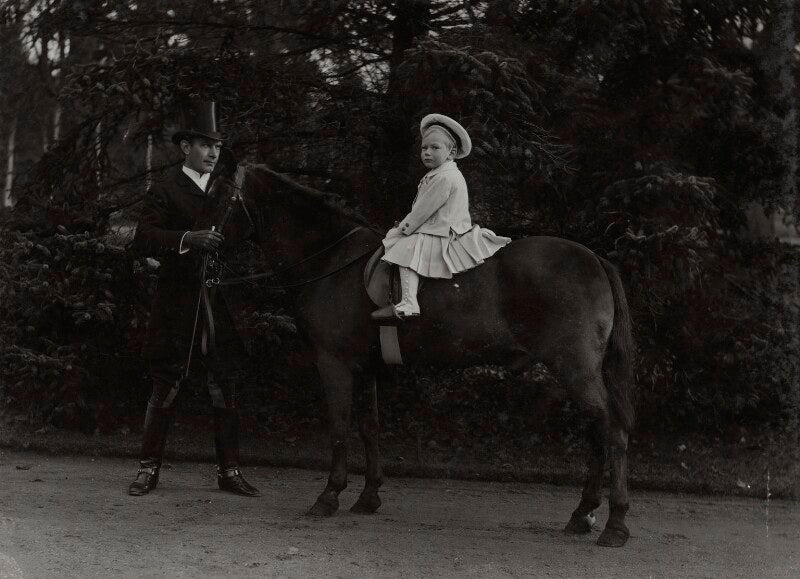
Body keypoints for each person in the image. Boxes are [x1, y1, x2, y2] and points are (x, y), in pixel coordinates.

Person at [128, 101, 260, 497]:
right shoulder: (165, 188)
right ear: (185, 147)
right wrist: (188, 239)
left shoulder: (227, 190)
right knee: (167, 383)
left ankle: (230, 472)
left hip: (218, 303)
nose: (214, 152)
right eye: (205, 145)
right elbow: (143, 237)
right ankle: (148, 470)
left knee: (225, 384)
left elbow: (244, 238)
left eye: (217, 146)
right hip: (177, 300)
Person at [371, 113, 511, 322]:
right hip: (437, 226)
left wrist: (403, 228)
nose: (427, 153)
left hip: (444, 231)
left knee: (404, 250)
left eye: (435, 148)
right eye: (424, 148)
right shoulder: (438, 173)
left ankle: (409, 303)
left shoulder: (446, 177)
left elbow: (422, 211)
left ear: (451, 152)